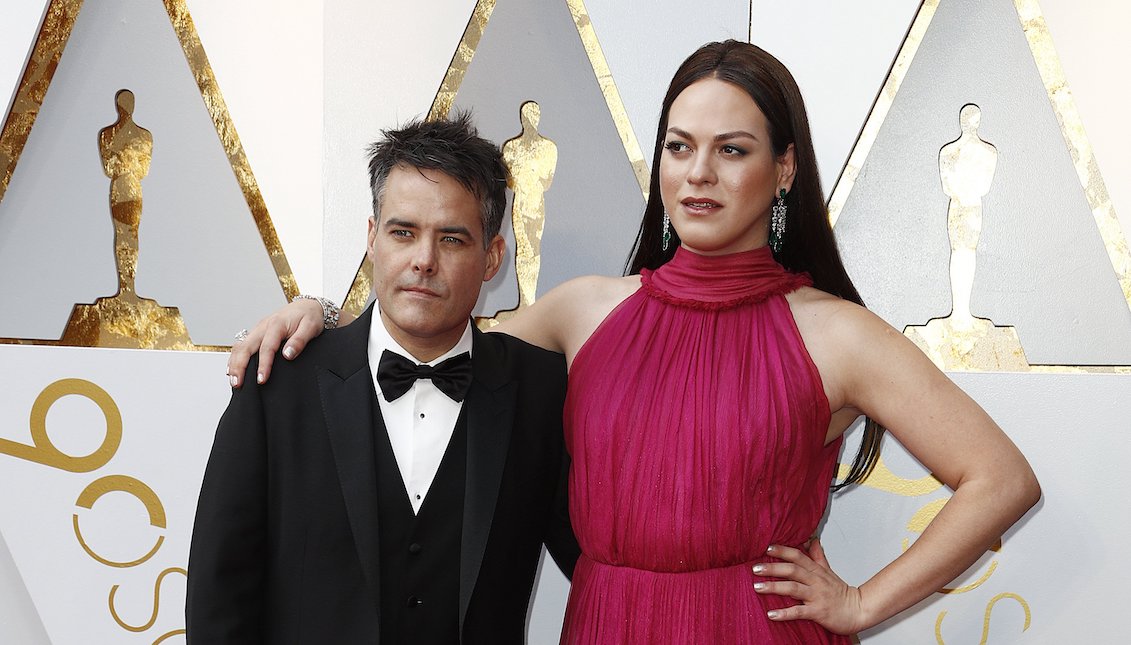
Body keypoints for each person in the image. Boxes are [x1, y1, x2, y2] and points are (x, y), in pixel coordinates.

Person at [229, 40, 1040, 643]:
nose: (698, 175)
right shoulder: (581, 312)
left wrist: (861, 603)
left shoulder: (836, 334)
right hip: (606, 622)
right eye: (679, 146)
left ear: (784, 170)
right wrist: (316, 311)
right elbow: (425, 331)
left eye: (733, 151)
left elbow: (999, 477)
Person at [187, 114, 579, 644]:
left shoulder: (542, 392)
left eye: (453, 240)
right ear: (372, 238)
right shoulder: (278, 383)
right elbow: (219, 595)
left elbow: (606, 563)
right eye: (403, 232)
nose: (423, 261)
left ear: (492, 258)